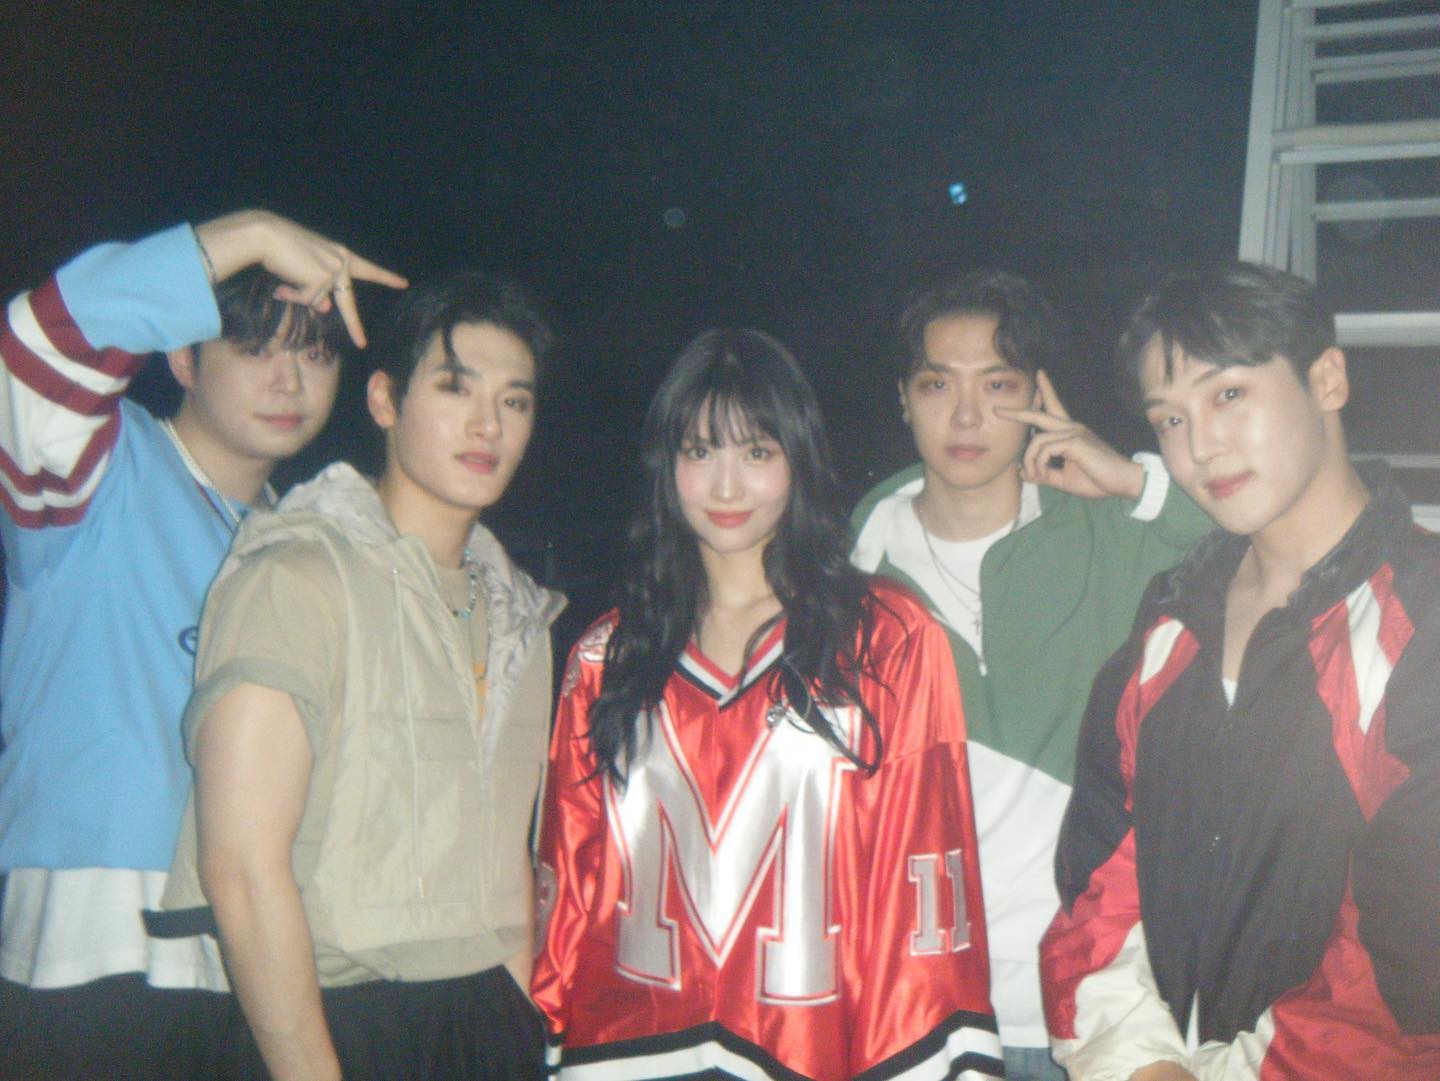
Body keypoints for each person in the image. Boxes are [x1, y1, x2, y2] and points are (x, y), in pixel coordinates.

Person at [532, 329, 1003, 1080]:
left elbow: (917, 894)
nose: (727, 486)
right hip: (625, 1052)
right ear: (665, 465)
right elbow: (568, 888)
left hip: (808, 1050)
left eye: (756, 451)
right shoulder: (607, 655)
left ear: (799, 460)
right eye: (700, 451)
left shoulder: (884, 637)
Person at [0, 209, 404, 1079]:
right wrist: (250, 234)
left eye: (316, 354)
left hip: (251, 961)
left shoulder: (302, 546)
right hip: (91, 945)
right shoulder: (96, 472)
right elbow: (34, 346)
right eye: (254, 348)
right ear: (181, 358)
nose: (289, 380)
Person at [152, 270, 564, 1080]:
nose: (488, 424)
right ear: (384, 399)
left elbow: (507, 864)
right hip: (332, 1021)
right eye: (455, 387)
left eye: (514, 401)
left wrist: (517, 1023)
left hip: (484, 1024)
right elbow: (241, 866)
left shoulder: (523, 615)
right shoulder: (297, 576)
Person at [1040, 263, 1440, 1079]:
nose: (1200, 446)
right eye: (1170, 417)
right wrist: (1140, 1061)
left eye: (1228, 394)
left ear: (1326, 379)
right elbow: (1098, 870)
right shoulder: (1172, 619)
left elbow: (1409, 962)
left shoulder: (1419, 621)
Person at [850, 270, 1212, 1079]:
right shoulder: (851, 571)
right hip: (917, 1005)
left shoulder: (1108, 532)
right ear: (904, 398)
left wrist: (1132, 479)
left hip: (1094, 998)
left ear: (1038, 395)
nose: (967, 415)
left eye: (998, 385)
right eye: (938, 384)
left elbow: (1265, 538)